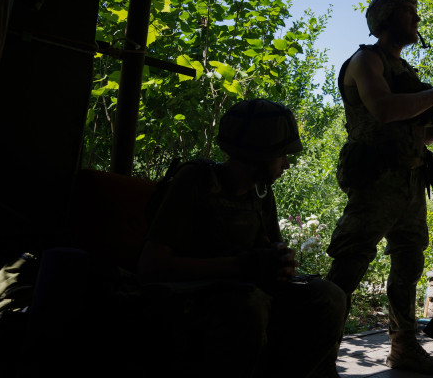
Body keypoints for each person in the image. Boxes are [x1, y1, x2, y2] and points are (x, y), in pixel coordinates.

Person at [137, 98, 346, 378]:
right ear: (259, 154)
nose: (286, 164)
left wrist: (280, 263)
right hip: (190, 299)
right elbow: (151, 266)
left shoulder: (260, 192)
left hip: (242, 291)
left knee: (329, 297)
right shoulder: (196, 181)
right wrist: (239, 265)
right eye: (281, 154)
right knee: (249, 308)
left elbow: (270, 249)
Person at [324, 0, 433, 375]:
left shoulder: (406, 72)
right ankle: (314, 353)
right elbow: (385, 110)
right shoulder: (365, 61)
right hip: (376, 180)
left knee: (408, 267)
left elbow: (424, 134)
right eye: (409, 11)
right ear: (386, 18)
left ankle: (403, 347)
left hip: (410, 180)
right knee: (349, 264)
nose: (417, 19)